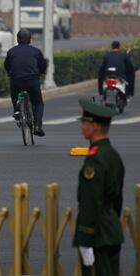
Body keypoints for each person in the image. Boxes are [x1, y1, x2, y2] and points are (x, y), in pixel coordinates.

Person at [73, 98, 124, 276]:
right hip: (111, 231)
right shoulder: (112, 154)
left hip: (97, 236)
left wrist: (85, 239)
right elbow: (118, 198)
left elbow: (90, 202)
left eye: (85, 122)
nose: (82, 126)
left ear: (94, 126)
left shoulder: (95, 160)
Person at [4, 28, 47, 137]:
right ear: (30, 39)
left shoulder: (11, 51)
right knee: (38, 103)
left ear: (17, 39)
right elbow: (42, 66)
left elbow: (7, 66)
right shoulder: (36, 52)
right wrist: (41, 73)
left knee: (14, 96)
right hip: (32, 81)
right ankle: (37, 126)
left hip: (16, 81)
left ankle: (17, 110)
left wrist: (11, 73)